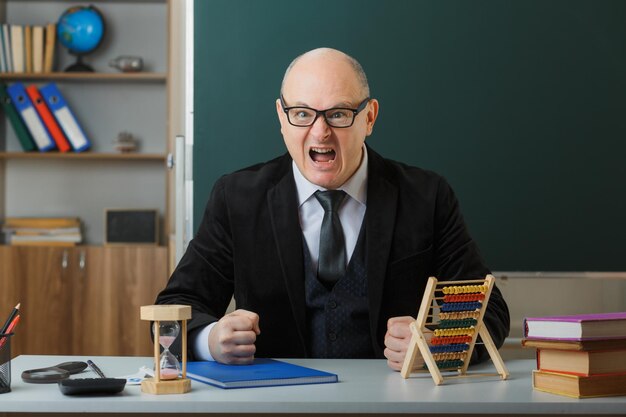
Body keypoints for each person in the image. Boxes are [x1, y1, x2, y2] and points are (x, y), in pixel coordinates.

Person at [155, 47, 510, 371]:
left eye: (338, 114)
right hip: (274, 405)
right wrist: (210, 341)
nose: (320, 131)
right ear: (281, 117)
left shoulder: (427, 196)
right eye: (302, 113)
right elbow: (173, 309)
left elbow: (489, 311)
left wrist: (439, 346)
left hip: (395, 406)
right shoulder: (236, 198)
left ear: (369, 118)